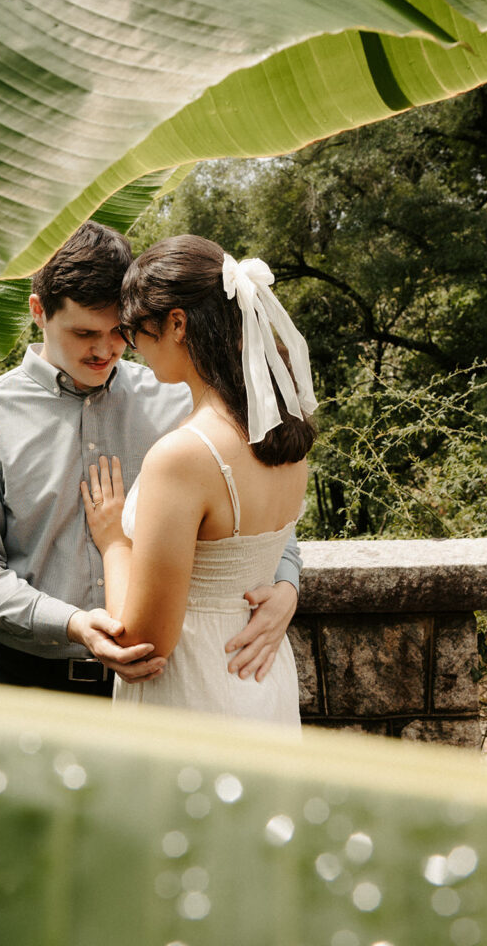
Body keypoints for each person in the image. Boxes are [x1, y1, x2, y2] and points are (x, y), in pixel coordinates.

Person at [0, 222, 303, 698]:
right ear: (38, 312)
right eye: (84, 332)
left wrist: (288, 589)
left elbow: (263, 522)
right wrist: (72, 624)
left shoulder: (179, 400)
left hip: (169, 685)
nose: (105, 349)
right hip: (27, 685)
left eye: (120, 332)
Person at [82, 235, 317, 722]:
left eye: (133, 332)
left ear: (176, 323)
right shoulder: (287, 438)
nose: (131, 350)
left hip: (193, 694)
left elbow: (141, 642)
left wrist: (113, 543)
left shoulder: (184, 455)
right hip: (261, 680)